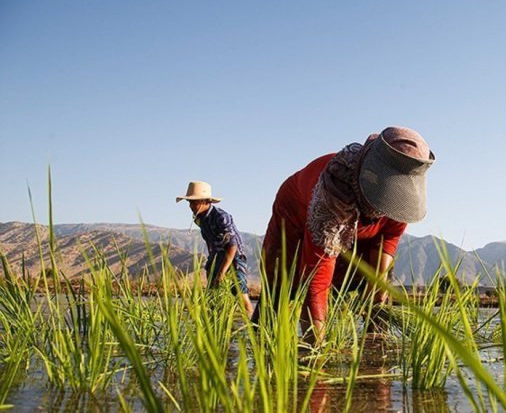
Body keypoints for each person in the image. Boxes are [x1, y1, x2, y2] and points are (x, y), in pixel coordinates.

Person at [252, 126, 435, 342]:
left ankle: (375, 349)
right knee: (280, 286)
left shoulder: (400, 199)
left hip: (362, 236)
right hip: (296, 215)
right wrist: (316, 350)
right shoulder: (333, 192)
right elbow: (316, 279)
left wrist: (376, 298)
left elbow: (384, 254)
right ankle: (260, 344)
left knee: (378, 293)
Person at [176, 181, 253, 315]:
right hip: (216, 257)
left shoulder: (221, 217)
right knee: (212, 296)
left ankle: (251, 327)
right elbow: (209, 240)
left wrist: (222, 272)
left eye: (194, 202)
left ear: (206, 201)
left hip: (233, 258)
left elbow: (232, 246)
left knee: (240, 295)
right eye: (190, 202)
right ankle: (215, 327)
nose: (191, 206)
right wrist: (212, 262)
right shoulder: (199, 219)